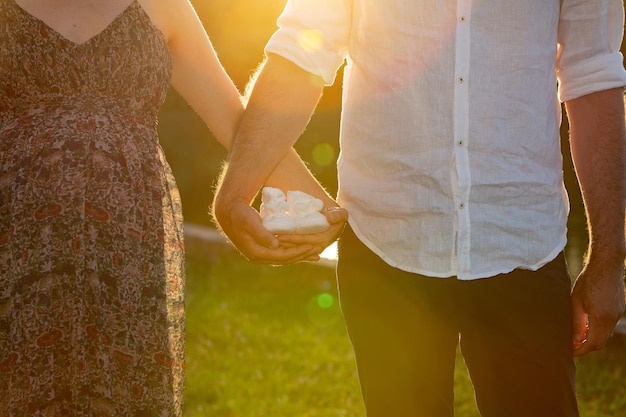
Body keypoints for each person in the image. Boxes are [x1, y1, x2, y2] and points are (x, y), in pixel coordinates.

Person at [214, 1, 626, 416]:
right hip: (385, 246)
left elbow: (593, 73)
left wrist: (609, 260)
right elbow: (301, 52)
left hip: (523, 241)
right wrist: (235, 191)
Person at [0, 0, 346, 415]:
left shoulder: (163, 5)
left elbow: (233, 118)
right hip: (16, 238)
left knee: (126, 386)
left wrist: (325, 206)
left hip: (129, 243)